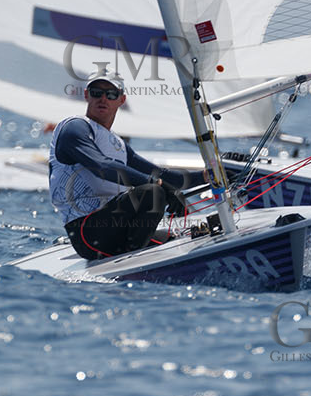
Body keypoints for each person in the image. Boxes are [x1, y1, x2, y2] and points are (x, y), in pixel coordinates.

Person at [49, 77, 205, 260]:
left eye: (111, 94)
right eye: (96, 93)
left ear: (121, 100)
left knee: (179, 232)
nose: (103, 98)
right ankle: (134, 259)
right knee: (152, 192)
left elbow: (165, 176)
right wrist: (159, 184)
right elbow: (102, 166)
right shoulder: (74, 128)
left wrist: (211, 175)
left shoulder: (118, 144)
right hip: (88, 234)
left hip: (116, 228)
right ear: (86, 95)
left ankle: (135, 250)